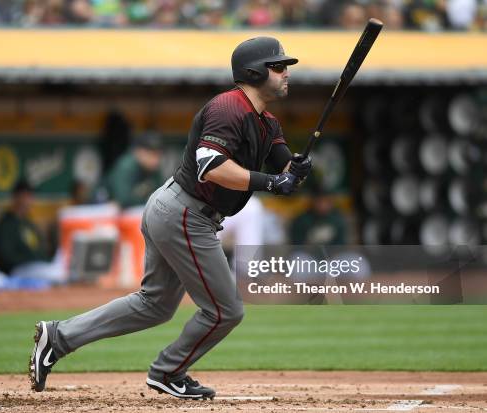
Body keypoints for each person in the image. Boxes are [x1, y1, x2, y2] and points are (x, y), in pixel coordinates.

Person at [29, 36, 312, 399]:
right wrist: (273, 181)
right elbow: (211, 166)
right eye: (278, 66)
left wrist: (297, 168)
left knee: (155, 305)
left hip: (178, 210)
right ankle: (168, 371)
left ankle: (59, 336)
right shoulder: (229, 107)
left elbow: (283, 166)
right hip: (185, 212)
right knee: (226, 310)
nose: (286, 72)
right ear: (254, 72)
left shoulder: (266, 122)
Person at [0, 180, 66, 284]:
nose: (30, 200)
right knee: (57, 274)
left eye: (31, 196)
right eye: (26, 195)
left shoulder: (29, 223)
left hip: (38, 267)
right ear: (17, 197)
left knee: (61, 268)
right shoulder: (5, 225)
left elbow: (41, 249)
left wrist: (43, 259)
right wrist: (32, 259)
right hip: (18, 270)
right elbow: (6, 257)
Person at [100, 131, 164, 209]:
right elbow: (124, 200)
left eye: (158, 155)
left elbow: (162, 197)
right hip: (99, 205)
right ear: (139, 152)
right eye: (152, 154)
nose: (156, 160)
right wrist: (149, 200)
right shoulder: (126, 166)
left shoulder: (154, 169)